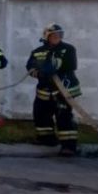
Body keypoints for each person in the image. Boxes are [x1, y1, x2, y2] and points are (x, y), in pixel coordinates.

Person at [25, 23, 81, 156]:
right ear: (47, 36)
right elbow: (30, 66)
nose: (57, 37)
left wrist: (54, 66)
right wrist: (38, 73)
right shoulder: (37, 52)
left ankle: (69, 146)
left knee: (64, 117)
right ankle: (47, 140)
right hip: (44, 90)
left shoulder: (68, 49)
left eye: (59, 35)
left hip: (64, 89)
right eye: (54, 35)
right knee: (40, 114)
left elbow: (71, 65)